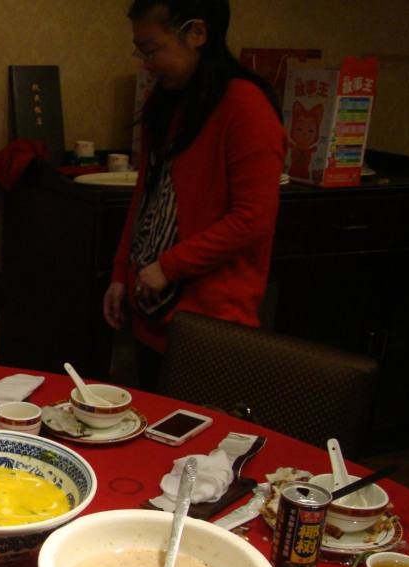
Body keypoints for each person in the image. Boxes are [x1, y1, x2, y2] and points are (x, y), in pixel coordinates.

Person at [102, 0, 286, 389]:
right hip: (153, 309)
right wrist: (120, 273)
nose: (146, 63)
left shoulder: (245, 104)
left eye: (152, 50)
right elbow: (146, 196)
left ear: (197, 33)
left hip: (210, 322)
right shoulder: (165, 100)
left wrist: (170, 266)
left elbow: (253, 218)